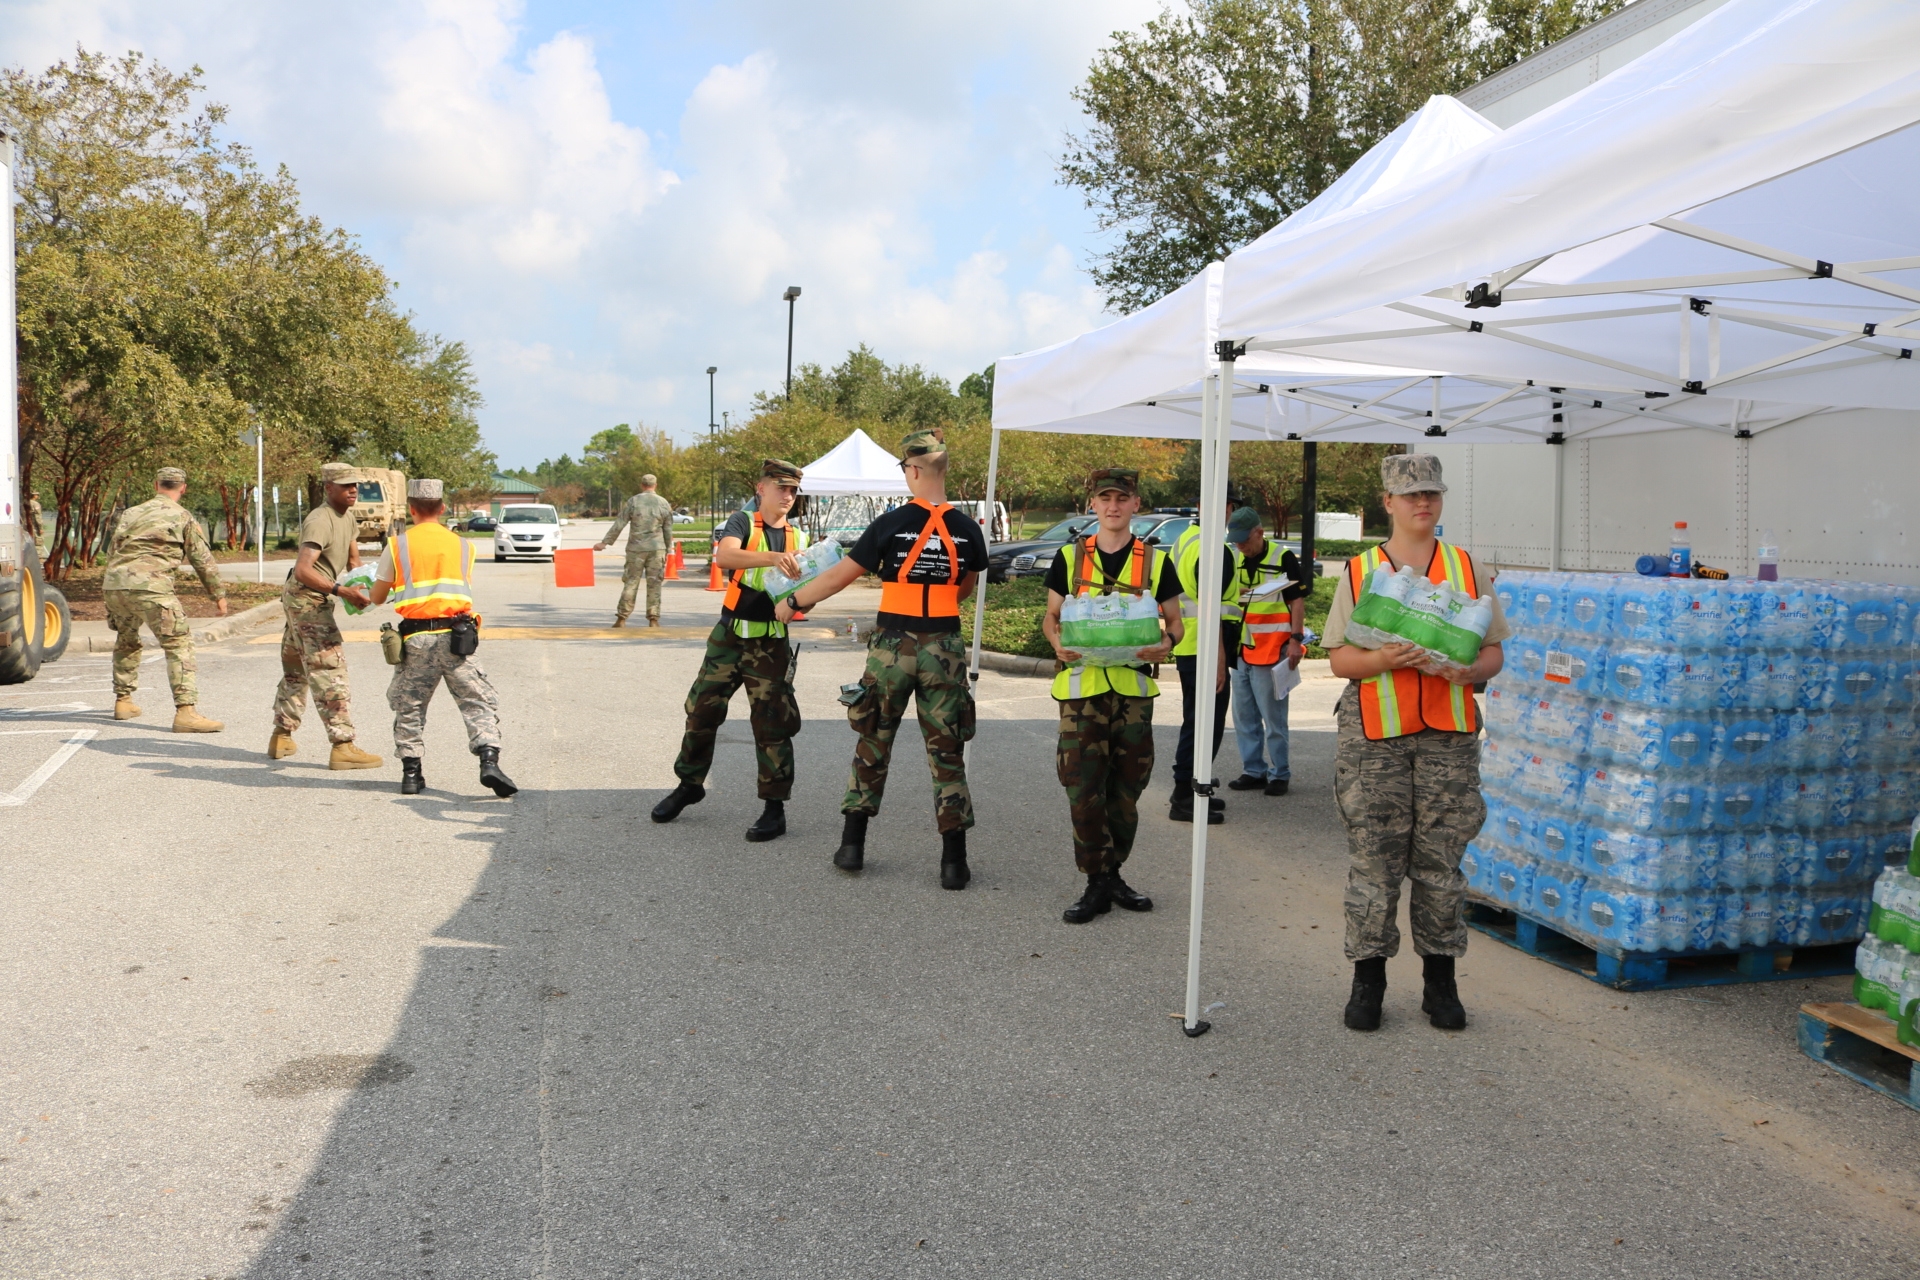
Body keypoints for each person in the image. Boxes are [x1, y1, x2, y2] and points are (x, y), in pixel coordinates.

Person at [1323, 453, 1508, 1033]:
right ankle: (1368, 981)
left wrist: (1469, 672)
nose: (1421, 503)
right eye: (1409, 495)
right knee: (1375, 861)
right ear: (1388, 503)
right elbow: (1338, 659)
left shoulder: (1466, 566)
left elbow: (1494, 653)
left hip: (1447, 736)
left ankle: (1440, 982)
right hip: (1375, 734)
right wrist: (1381, 659)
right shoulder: (1360, 571)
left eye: (1430, 493)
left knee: (1441, 863)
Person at [776, 428, 988, 888]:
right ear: (943, 470)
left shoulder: (890, 525)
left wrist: (792, 604)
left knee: (874, 740)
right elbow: (964, 588)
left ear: (912, 470)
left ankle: (852, 845)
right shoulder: (969, 529)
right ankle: (954, 862)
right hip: (944, 649)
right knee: (947, 752)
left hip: (893, 647)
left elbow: (837, 578)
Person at [1041, 468, 1184, 924]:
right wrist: (1055, 642)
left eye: (1121, 498)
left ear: (1136, 504)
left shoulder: (1157, 562)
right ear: (1093, 505)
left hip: (1133, 691)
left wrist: (1167, 644)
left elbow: (1176, 625)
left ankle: (1113, 870)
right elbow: (1051, 616)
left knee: (1127, 789)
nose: (1113, 506)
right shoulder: (1068, 557)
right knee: (1083, 787)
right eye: (1104, 499)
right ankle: (1096, 880)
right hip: (1082, 691)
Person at [651, 460, 809, 841]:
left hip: (770, 641)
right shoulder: (743, 521)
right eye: (780, 487)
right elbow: (725, 557)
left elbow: (807, 587)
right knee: (701, 711)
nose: (787, 496)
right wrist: (773, 559)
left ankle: (774, 809)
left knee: (772, 725)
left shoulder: (799, 539)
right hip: (730, 636)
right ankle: (690, 784)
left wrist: (805, 599)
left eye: (792, 490)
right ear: (762, 488)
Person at [369, 479, 517, 798]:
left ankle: (411, 774)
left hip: (416, 638)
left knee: (409, 704)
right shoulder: (464, 546)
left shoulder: (397, 545)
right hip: (457, 637)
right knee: (477, 699)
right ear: (443, 508)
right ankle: (489, 760)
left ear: (410, 509)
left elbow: (378, 596)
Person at [268, 463, 383, 770]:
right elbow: (305, 570)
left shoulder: (347, 517)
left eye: (355, 485)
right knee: (328, 668)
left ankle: (281, 735)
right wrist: (342, 592)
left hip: (304, 598)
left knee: (296, 668)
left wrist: (369, 587)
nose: (353, 490)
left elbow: (354, 562)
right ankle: (342, 745)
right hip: (306, 599)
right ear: (328, 488)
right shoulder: (320, 519)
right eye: (346, 486)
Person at [101, 467, 228, 732]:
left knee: (126, 640)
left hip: (116, 585)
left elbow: (113, 549)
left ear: (156, 485)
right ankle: (186, 713)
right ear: (183, 488)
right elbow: (202, 559)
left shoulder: (131, 512)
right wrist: (218, 596)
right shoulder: (182, 515)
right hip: (152, 588)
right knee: (179, 645)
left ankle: (123, 701)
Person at [1167, 492, 1243, 823]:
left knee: (1196, 723)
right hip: (1205, 648)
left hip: (1190, 645)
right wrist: (1218, 659)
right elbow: (1211, 606)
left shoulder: (1186, 539)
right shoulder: (1214, 547)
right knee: (1204, 727)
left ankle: (1193, 789)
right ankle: (1185, 797)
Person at [1224, 507, 1309, 797]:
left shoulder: (1282, 557)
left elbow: (1296, 601)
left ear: (1260, 532)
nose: (1240, 545)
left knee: (1273, 720)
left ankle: (1279, 774)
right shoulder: (1233, 557)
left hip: (1271, 652)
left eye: (1244, 540)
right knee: (1244, 717)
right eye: (1235, 540)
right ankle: (1253, 771)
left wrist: (1296, 640)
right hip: (1241, 652)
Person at [596, 474, 675, 628]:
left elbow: (620, 523)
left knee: (631, 583)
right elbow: (668, 529)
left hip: (635, 549)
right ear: (655, 485)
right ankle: (653, 619)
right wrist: (668, 549)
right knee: (654, 584)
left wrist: (605, 542)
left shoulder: (634, 501)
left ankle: (622, 618)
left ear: (642, 485)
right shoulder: (663, 503)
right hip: (656, 549)